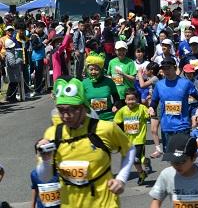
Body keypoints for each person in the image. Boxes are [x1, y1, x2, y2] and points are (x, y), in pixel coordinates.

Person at [35, 77, 135, 207]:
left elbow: (129, 149)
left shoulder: (105, 128)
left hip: (104, 203)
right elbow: (44, 177)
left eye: (71, 109)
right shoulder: (52, 134)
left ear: (83, 107)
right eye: (61, 110)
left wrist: (121, 179)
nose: (66, 116)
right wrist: (46, 160)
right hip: (69, 204)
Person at [149, 57, 198, 151]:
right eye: (164, 68)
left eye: (168, 68)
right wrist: (151, 108)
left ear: (175, 67)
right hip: (166, 126)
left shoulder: (186, 83)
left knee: (183, 155)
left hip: (183, 125)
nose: (166, 71)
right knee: (170, 156)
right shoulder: (159, 85)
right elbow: (154, 101)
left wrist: (195, 115)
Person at [114, 88, 150, 185]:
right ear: (125, 100)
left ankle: (145, 162)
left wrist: (151, 112)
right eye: (128, 99)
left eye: (133, 99)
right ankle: (142, 173)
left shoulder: (141, 108)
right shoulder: (122, 110)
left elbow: (149, 115)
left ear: (137, 99)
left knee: (136, 159)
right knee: (134, 160)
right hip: (128, 140)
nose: (131, 101)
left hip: (139, 138)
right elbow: (116, 122)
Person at [83, 52, 120, 121]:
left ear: (101, 70)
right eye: (91, 69)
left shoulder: (109, 82)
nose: (93, 72)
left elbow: (116, 98)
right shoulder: (84, 83)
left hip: (108, 117)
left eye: (96, 69)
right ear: (87, 70)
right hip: (91, 118)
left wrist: (115, 106)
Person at [30, 141, 60, 208]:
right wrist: (32, 205)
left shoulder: (59, 172)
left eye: (47, 151)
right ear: (36, 154)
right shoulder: (34, 174)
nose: (44, 154)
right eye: (41, 151)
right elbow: (35, 188)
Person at [31, 22, 47, 94]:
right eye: (42, 28)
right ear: (38, 27)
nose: (43, 30)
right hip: (36, 57)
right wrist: (43, 43)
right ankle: (37, 89)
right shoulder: (34, 36)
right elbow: (35, 47)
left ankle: (39, 88)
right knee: (38, 74)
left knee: (40, 73)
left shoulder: (40, 35)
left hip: (41, 56)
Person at [4, 39, 22, 103]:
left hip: (12, 73)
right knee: (13, 85)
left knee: (13, 85)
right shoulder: (10, 54)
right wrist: (19, 60)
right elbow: (13, 64)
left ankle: (11, 98)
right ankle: (11, 98)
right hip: (13, 73)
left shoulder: (9, 53)